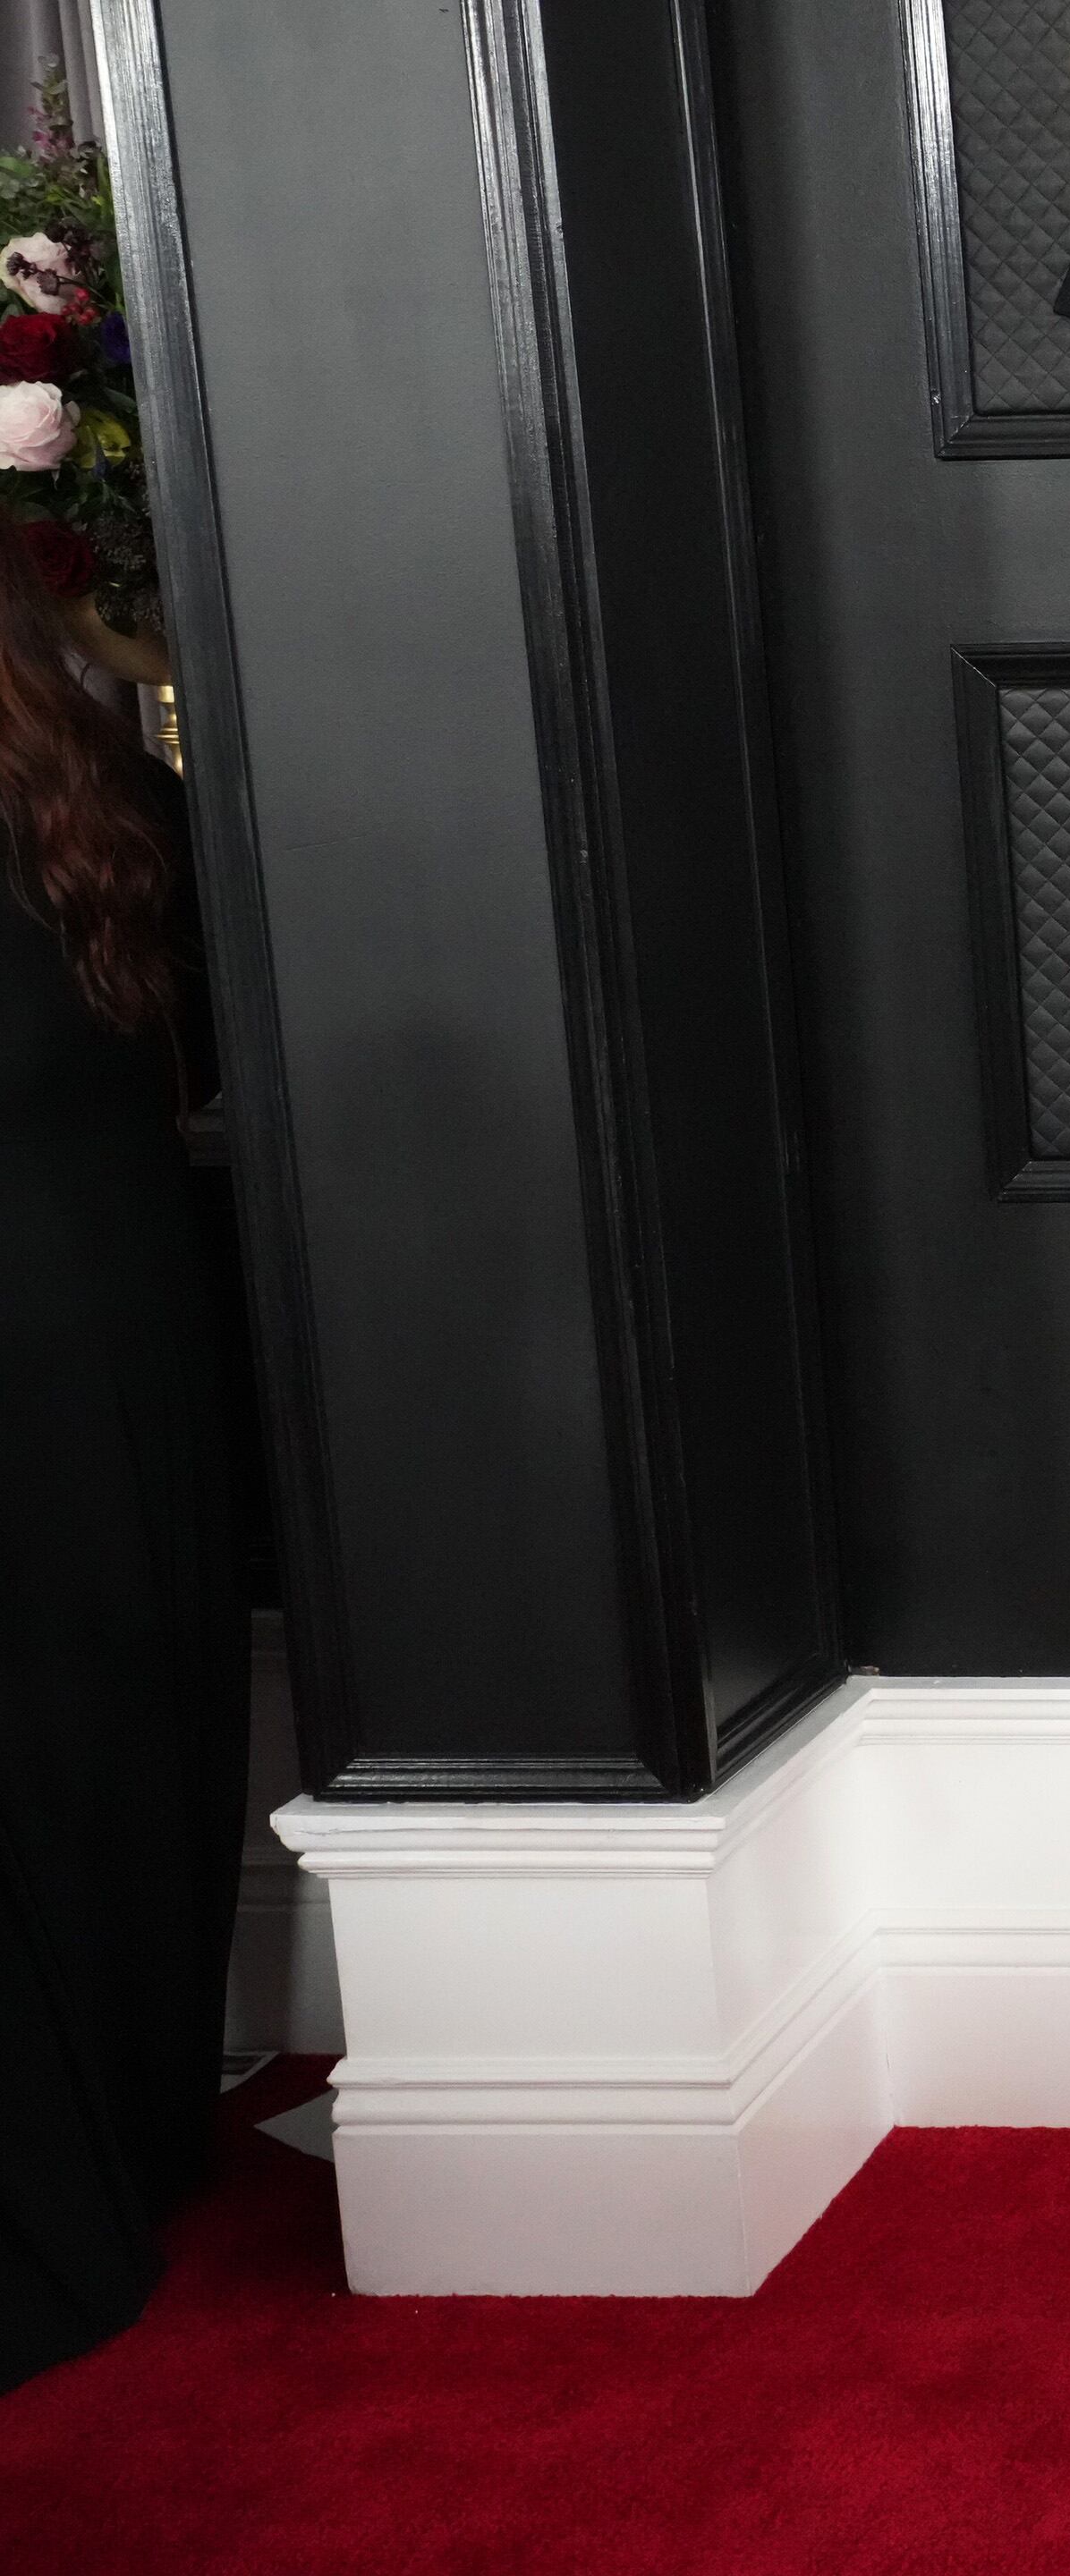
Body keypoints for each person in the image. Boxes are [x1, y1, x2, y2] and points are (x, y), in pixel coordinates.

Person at [0, 516, 241, 2393]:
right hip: (129, 1310)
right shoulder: (95, 779)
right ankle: (146, 2138)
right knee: (125, 1720)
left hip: (51, 1321)